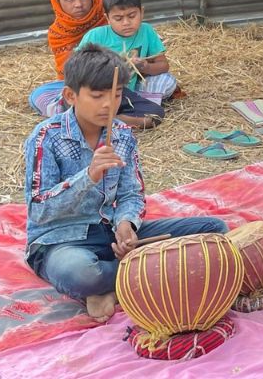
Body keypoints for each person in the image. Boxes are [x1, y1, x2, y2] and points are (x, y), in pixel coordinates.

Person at [23, 46, 227, 323]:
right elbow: (40, 211)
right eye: (97, 96)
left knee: (214, 231)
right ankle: (136, 276)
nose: (109, 104)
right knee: (81, 273)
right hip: (61, 241)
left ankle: (114, 283)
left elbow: (132, 194)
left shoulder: (122, 134)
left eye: (117, 95)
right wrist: (89, 176)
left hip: (109, 234)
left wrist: (126, 226)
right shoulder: (47, 136)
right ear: (71, 96)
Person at [77, 0, 174, 129]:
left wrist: (145, 66)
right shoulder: (96, 36)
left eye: (132, 16)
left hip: (125, 93)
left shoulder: (146, 31)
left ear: (141, 12)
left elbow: (163, 65)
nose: (126, 23)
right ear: (107, 18)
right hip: (98, 93)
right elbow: (78, 69)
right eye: (118, 18)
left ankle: (116, 119)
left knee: (156, 114)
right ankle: (105, 118)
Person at [29, 0, 108, 117]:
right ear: (57, 1)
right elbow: (69, 74)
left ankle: (81, 112)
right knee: (38, 95)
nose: (78, 4)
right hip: (81, 85)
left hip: (119, 79)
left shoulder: (108, 11)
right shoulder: (58, 33)